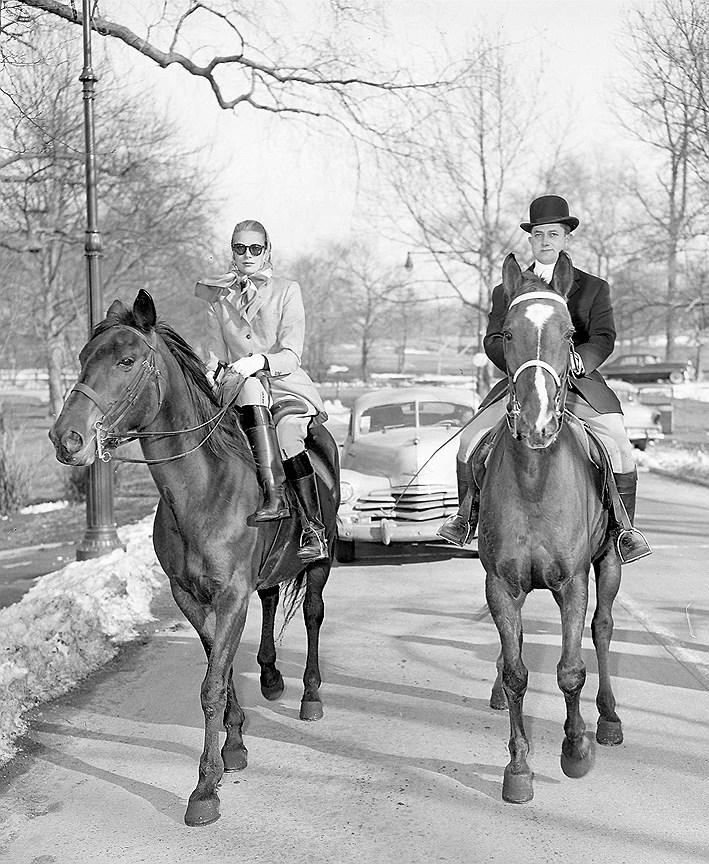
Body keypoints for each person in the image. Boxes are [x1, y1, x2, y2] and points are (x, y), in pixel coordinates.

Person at [438, 195, 652, 564]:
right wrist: (521, 364)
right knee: (469, 441)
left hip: (577, 383)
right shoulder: (507, 289)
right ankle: (465, 518)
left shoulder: (593, 288)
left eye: (554, 233)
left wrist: (578, 360)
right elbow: (492, 339)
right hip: (522, 383)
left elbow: (603, 336)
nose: (546, 241)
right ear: (530, 240)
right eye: (538, 234)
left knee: (619, 445)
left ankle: (624, 530)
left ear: (567, 237)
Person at [195, 219, 328, 563]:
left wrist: (259, 362)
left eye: (255, 248)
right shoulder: (218, 295)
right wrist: (211, 372)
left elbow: (292, 351)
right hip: (238, 388)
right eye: (240, 248)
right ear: (232, 252)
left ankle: (313, 527)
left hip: (283, 384)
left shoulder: (288, 290)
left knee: (287, 437)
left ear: (267, 251)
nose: (248, 255)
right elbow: (215, 354)